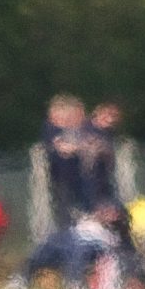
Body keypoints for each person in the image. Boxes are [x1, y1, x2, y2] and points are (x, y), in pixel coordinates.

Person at [40, 94, 92, 228]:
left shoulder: (82, 128)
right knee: (65, 216)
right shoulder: (52, 129)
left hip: (83, 180)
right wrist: (81, 148)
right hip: (62, 181)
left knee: (86, 214)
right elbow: (63, 148)